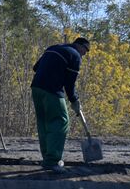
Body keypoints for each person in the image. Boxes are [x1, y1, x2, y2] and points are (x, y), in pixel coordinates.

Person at [30, 37, 90, 171]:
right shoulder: (75, 56)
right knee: (61, 121)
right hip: (52, 91)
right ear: (79, 46)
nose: (85, 54)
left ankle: (47, 157)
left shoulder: (53, 48)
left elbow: (35, 68)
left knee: (44, 123)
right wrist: (74, 100)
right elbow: (70, 84)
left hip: (36, 88)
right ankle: (53, 161)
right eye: (86, 50)